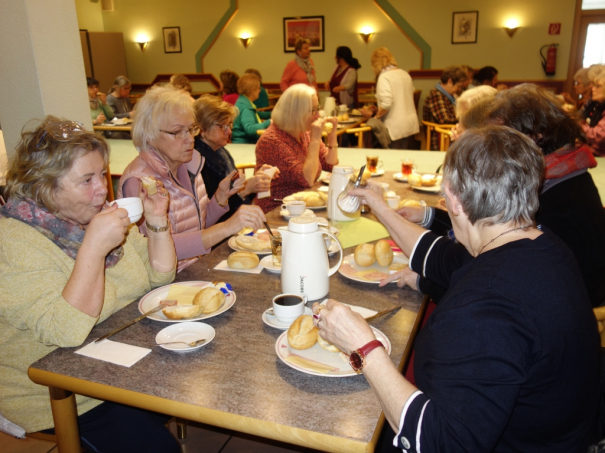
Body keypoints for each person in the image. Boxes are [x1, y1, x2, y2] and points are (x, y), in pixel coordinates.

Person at [315, 126, 599, 452]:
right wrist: (380, 206)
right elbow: (438, 258)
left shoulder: (485, 306)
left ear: (454, 201)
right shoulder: (542, 245)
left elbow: (441, 442)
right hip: (556, 435)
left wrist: (362, 347)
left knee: (358, 424)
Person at [0, 116, 180, 453]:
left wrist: (157, 221)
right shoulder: (12, 243)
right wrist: (94, 248)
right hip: (56, 393)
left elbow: (159, 276)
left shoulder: (91, 216)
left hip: (113, 365)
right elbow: (66, 331)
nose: (102, 188)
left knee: (190, 380)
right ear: (44, 186)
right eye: (86, 180)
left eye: (101, 174)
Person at [401, 84, 605, 308]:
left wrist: (424, 282)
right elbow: (485, 228)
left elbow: (486, 277)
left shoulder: (555, 207)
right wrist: (430, 215)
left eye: (503, 140)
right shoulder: (561, 174)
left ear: (535, 137)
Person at [118, 85, 266, 270]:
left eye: (190, 129)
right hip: (166, 284)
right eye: (178, 131)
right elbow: (152, 252)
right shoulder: (139, 181)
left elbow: (197, 227)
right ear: (150, 134)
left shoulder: (188, 165)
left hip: (196, 268)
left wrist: (220, 198)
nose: (189, 139)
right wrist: (227, 227)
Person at [254, 84, 338, 213]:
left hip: (303, 207)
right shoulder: (272, 141)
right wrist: (315, 140)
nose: (317, 116)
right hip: (277, 211)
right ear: (297, 112)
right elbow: (306, 180)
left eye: (318, 109)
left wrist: (332, 136)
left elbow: (330, 164)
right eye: (313, 110)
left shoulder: (304, 132)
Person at [193, 94, 278, 221]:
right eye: (222, 126)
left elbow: (236, 191)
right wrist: (246, 189)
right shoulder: (196, 162)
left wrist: (255, 181)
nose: (229, 132)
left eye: (229, 125)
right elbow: (209, 216)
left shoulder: (221, 153)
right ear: (202, 129)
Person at [360, 47, 418, 149]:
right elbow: (404, 96)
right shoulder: (405, 74)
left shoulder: (384, 77)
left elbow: (387, 104)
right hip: (410, 125)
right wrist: (379, 109)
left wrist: (376, 116)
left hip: (395, 129)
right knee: (406, 160)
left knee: (394, 161)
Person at [422, 65, 468, 150]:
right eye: (459, 86)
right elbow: (445, 119)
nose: (458, 89)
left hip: (446, 136)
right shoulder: (436, 95)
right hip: (440, 139)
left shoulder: (446, 95)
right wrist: (464, 116)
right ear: (450, 81)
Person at [231, 73, 272, 144]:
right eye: (259, 88)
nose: (260, 91)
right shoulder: (246, 107)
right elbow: (250, 129)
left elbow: (254, 114)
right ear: (252, 90)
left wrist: (272, 114)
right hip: (245, 145)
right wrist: (270, 122)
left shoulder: (242, 101)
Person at [581, 73, 605, 156]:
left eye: (598, 86)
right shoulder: (599, 106)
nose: (593, 89)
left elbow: (599, 135)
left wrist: (578, 126)